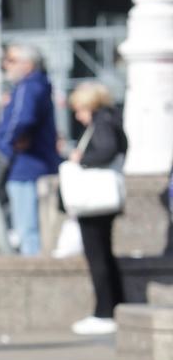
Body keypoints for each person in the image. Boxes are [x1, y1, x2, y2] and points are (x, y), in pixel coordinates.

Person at [65, 82, 128, 336]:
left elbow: (106, 150)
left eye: (80, 109)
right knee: (105, 255)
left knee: (97, 256)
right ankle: (116, 306)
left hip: (95, 200)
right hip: (105, 198)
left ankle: (104, 312)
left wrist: (82, 159)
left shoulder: (101, 122)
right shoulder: (112, 119)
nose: (78, 116)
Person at [0, 43, 62, 256]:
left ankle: (32, 265)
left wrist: (6, 144)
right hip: (35, 162)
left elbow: (22, 119)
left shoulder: (28, 87)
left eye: (11, 60)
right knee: (34, 224)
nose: (6, 65)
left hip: (25, 164)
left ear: (28, 64)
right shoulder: (39, 85)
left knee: (27, 226)